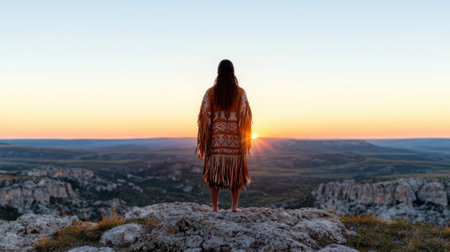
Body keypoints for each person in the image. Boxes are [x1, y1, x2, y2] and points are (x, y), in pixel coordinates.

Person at [195, 59, 252, 212]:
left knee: (214, 176)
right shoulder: (240, 93)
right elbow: (245, 118)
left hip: (216, 141)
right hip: (234, 142)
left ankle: (214, 207)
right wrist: (243, 140)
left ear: (218, 72)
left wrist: (206, 139)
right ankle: (234, 207)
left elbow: (204, 119)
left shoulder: (210, 93)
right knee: (236, 176)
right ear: (233, 72)